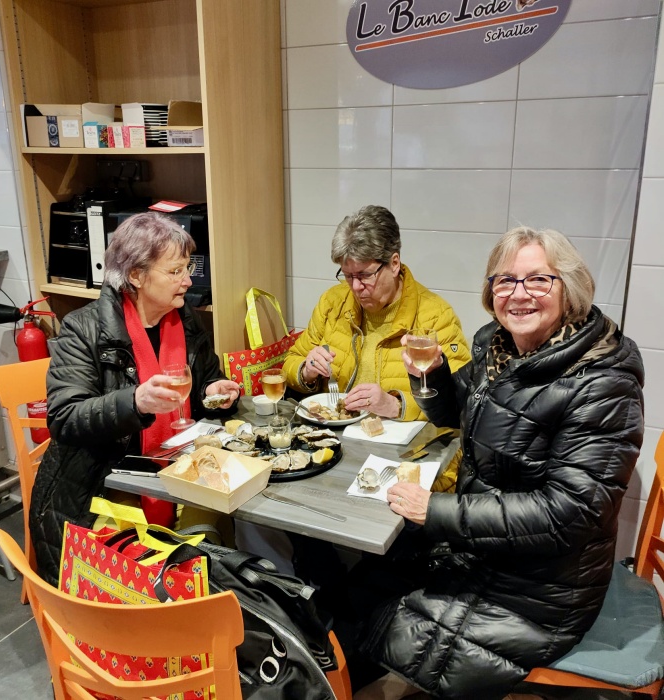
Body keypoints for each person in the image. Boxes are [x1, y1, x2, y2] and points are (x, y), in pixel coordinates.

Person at [341, 226, 645, 699]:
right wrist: (430, 376)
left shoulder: (602, 383)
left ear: (570, 289)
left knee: (369, 615)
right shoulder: (499, 347)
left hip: (539, 587)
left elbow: (569, 515)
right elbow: (456, 411)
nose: (518, 294)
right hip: (483, 548)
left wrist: (436, 511)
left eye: (538, 280)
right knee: (350, 591)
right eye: (505, 280)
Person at [29, 212, 240, 585]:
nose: (188, 281)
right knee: (178, 566)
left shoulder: (184, 319)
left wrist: (213, 391)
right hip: (103, 484)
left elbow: (205, 378)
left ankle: (191, 597)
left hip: (178, 469)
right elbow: (65, 418)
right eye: (175, 271)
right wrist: (136, 402)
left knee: (220, 544)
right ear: (136, 276)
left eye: (187, 268)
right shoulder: (84, 328)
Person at [283, 205, 469, 448]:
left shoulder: (435, 316)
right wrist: (306, 372)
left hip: (401, 448)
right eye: (348, 275)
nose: (355, 287)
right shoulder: (333, 303)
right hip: (334, 440)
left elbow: (460, 401)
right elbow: (290, 362)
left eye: (364, 275)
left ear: (394, 263)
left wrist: (397, 405)